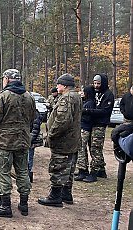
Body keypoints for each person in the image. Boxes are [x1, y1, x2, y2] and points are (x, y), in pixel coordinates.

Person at [0, 69, 35, 218]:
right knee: (22, 171)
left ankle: (5, 206)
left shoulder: (3, 96)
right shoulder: (29, 97)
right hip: (23, 140)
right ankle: (24, 204)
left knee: (3, 172)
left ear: (7, 79)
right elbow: (33, 118)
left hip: (5, 141)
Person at [38, 73, 82, 207]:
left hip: (63, 141)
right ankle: (66, 194)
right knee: (69, 168)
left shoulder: (67, 98)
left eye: (58, 84)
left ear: (64, 85)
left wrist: (51, 134)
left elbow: (62, 120)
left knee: (58, 167)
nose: (57, 86)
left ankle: (55, 196)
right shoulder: (76, 96)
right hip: (73, 140)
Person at [82, 74, 114, 182]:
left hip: (100, 124)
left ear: (103, 83)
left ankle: (94, 172)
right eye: (95, 83)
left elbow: (105, 111)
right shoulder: (94, 93)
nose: (96, 86)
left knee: (96, 148)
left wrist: (88, 111)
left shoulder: (108, 95)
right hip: (92, 123)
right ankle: (101, 170)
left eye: (98, 83)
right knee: (93, 148)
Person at [75, 85, 96, 181]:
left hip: (85, 128)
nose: (82, 93)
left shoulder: (90, 104)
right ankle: (82, 169)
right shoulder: (86, 102)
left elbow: (88, 117)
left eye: (84, 92)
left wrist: (81, 115)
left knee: (81, 149)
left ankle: (83, 170)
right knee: (81, 150)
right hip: (83, 127)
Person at [28, 109, 43, 183]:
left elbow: (35, 129)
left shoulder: (34, 113)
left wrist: (30, 139)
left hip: (30, 140)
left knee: (29, 158)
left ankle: (29, 174)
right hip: (24, 139)